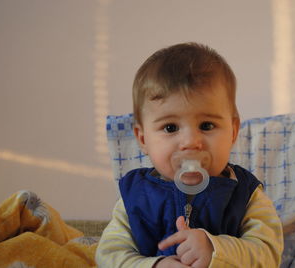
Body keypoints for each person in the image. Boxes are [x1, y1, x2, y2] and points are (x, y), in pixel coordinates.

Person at [96, 42, 283, 267]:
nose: (190, 142)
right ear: (143, 138)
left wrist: (215, 249)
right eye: (170, 128)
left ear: (233, 131)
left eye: (206, 125)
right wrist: (154, 265)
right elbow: (108, 255)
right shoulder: (135, 196)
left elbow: (268, 254)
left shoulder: (246, 194)